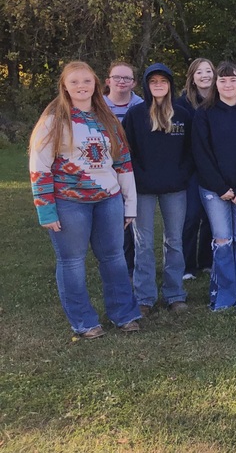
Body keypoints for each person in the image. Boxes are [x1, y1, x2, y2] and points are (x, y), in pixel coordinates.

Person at [29, 61, 142, 338]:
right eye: (75, 82)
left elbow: (124, 163)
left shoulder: (109, 120)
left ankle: (124, 314)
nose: (81, 87)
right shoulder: (53, 122)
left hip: (108, 200)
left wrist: (130, 205)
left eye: (86, 81)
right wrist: (46, 209)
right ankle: (84, 321)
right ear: (65, 87)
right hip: (68, 202)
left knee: (114, 258)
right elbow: (39, 166)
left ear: (95, 84)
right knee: (72, 262)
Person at [192, 62, 236, 311]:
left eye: (232, 80)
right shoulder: (204, 113)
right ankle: (223, 293)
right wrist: (221, 187)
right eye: (222, 80)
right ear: (216, 84)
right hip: (214, 189)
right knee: (223, 240)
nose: (227, 84)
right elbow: (201, 154)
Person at [123, 63, 193, 315]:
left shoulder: (183, 114)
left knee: (174, 241)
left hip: (175, 188)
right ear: (147, 85)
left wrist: (181, 175)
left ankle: (175, 293)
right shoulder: (135, 114)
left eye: (163, 80)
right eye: (154, 81)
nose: (159, 85)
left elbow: (190, 152)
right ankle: (144, 297)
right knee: (142, 244)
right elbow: (127, 152)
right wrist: (139, 179)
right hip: (143, 188)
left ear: (170, 85)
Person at [177, 58, 216, 279]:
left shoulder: (221, 100)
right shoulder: (182, 104)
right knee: (191, 216)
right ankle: (187, 265)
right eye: (199, 72)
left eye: (208, 71)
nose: (204, 75)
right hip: (191, 168)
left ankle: (207, 261)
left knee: (212, 216)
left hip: (213, 167)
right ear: (192, 77)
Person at [104, 61, 143, 275]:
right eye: (117, 77)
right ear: (108, 80)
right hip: (106, 171)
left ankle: (136, 265)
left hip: (134, 170)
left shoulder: (142, 106)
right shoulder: (96, 106)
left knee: (133, 217)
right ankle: (121, 265)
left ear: (134, 83)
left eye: (126, 78)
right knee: (115, 219)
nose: (121, 81)